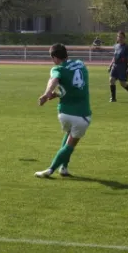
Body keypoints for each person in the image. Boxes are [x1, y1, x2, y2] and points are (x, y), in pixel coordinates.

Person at [35, 43, 92, 178]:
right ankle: (51, 169)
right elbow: (76, 87)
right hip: (82, 115)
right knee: (70, 145)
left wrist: (48, 93)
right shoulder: (80, 64)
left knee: (68, 134)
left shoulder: (58, 68)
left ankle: (63, 167)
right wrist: (53, 93)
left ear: (55, 57)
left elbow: (54, 80)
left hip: (65, 113)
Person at [108, 31, 128, 102]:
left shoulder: (126, 47)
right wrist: (110, 65)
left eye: (121, 37)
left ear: (124, 38)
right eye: (118, 37)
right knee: (111, 79)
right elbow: (114, 57)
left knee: (122, 83)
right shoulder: (116, 46)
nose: (120, 38)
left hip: (122, 66)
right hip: (115, 65)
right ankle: (113, 98)